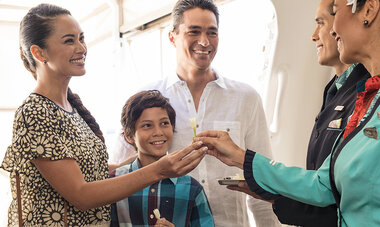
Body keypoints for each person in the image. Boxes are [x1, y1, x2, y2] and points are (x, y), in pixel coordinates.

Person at [0, 4, 207, 226]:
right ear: (38, 52)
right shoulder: (36, 112)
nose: (81, 48)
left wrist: (147, 160)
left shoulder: (70, 107)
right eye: (69, 40)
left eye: (81, 38)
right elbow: (81, 194)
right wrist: (158, 170)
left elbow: (91, 172)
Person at [197, 0, 380, 225]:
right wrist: (243, 159)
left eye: (334, 12)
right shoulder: (368, 98)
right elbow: (323, 184)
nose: (332, 30)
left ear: (369, 10)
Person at [112, 0, 281, 226]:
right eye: (194, 32)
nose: (204, 41)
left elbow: (261, 178)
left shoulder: (246, 98)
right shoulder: (147, 100)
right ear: (172, 37)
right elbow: (122, 174)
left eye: (212, 32)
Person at [244, 0, 367, 226]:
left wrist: (245, 161)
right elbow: (321, 184)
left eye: (321, 23)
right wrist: (271, 193)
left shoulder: (365, 93)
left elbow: (328, 189)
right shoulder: (333, 91)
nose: (314, 35)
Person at [110, 90, 214, 227]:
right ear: (129, 135)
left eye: (164, 123)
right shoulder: (112, 183)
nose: (158, 132)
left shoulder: (191, 188)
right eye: (147, 125)